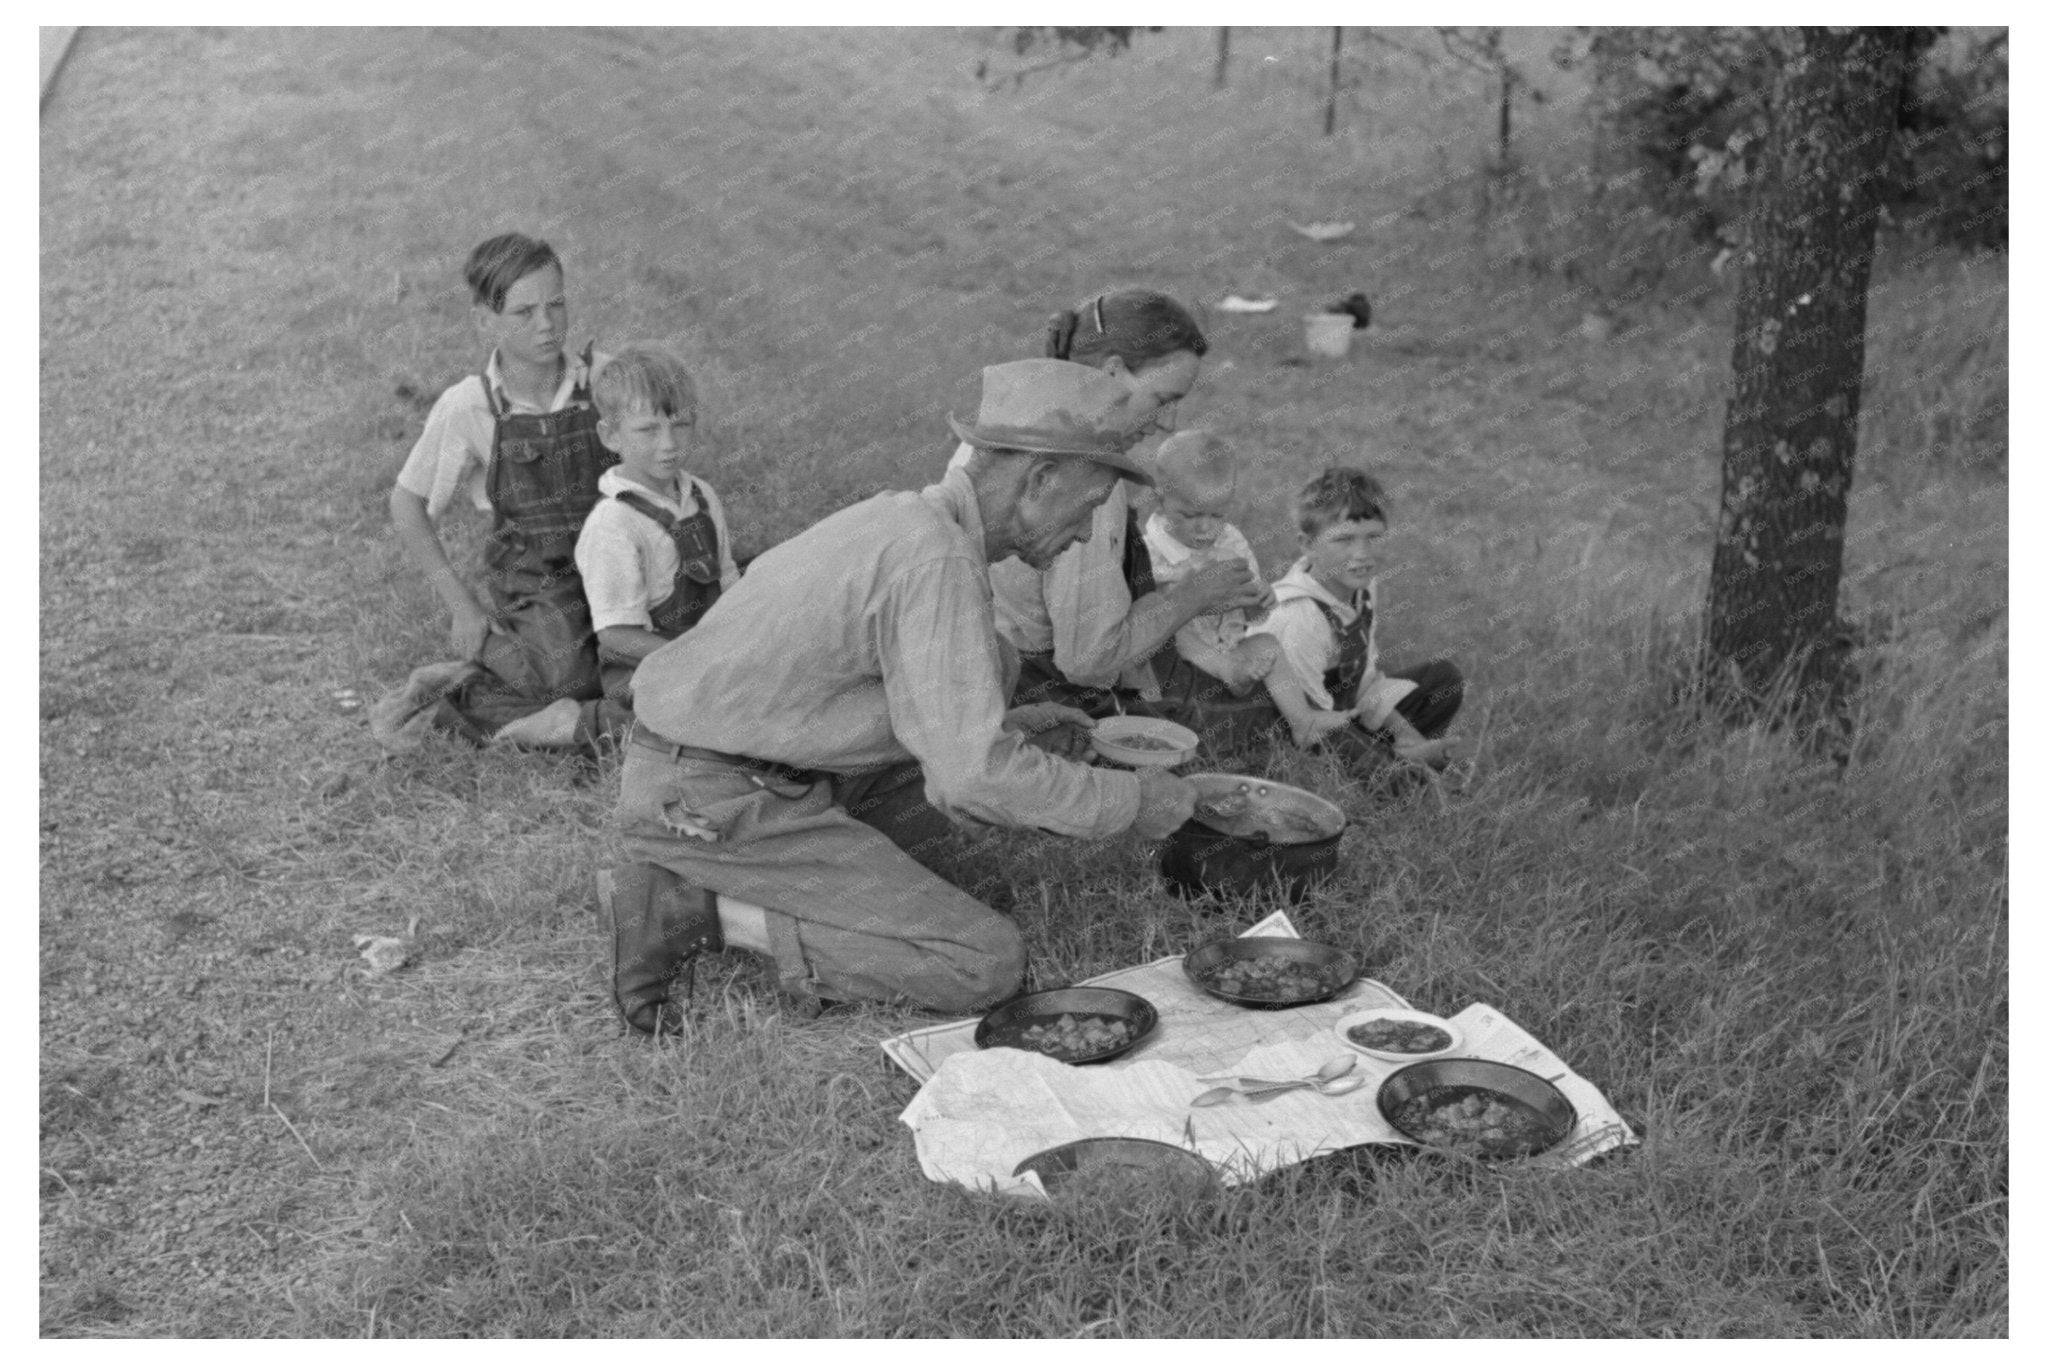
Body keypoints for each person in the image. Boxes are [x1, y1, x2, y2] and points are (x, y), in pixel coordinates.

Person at [606, 359, 1199, 1035]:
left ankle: (752, 878)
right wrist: (1132, 800)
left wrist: (1012, 727)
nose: (1089, 532)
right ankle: (689, 909)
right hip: (711, 797)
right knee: (982, 961)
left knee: (955, 813)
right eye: (1090, 506)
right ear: (1038, 480)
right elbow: (974, 776)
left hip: (728, 768)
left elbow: (874, 704)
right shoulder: (938, 558)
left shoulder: (912, 523)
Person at [949, 289, 1269, 722]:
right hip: (1027, 685)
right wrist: (1194, 595)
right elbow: (1088, 661)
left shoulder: (1015, 416)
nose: (1168, 423)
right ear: (1113, 371)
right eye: (1163, 400)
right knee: (1256, 713)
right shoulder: (1088, 480)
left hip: (972, 658)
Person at [378, 233, 615, 752]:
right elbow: (407, 502)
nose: (547, 324)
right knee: (572, 682)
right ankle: (493, 655)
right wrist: (462, 605)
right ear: (485, 320)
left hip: (613, 557)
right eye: (524, 313)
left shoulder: (603, 379)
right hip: (538, 578)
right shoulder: (470, 406)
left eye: (556, 304)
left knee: (674, 642)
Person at [1250, 467, 1465, 779]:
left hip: (1339, 708)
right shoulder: (1298, 615)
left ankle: (1406, 756)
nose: (1362, 554)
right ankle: (1398, 771)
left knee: (1443, 679)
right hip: (1296, 726)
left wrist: (1405, 732)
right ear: (1307, 544)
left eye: (1373, 537)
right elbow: (1310, 725)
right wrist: (1371, 750)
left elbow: (1363, 681)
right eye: (1344, 539)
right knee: (1387, 778)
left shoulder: (1362, 589)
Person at [571, 344, 741, 728]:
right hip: (644, 671)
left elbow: (728, 581)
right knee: (707, 729)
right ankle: (574, 722)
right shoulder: (613, 524)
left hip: (710, 652)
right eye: (648, 429)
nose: (669, 444)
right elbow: (616, 635)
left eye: (680, 425)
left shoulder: (701, 495)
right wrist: (697, 662)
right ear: (610, 436)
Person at [1137, 430, 1336, 746]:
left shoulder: (1230, 542)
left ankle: (1302, 721)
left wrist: (1259, 601)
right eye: (1189, 515)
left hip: (1230, 649)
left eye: (1217, 514)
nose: (1205, 527)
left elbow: (1252, 613)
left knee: (1268, 643)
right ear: (1159, 499)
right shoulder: (1149, 552)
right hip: (1178, 663)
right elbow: (1146, 620)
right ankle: (1228, 671)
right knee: (1174, 626)